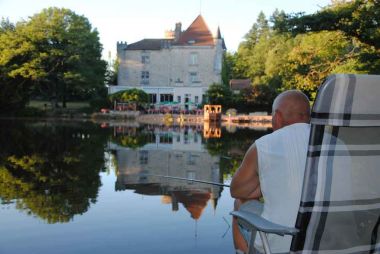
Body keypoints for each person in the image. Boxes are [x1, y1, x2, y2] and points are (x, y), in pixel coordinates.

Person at [230, 90, 311, 254]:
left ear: (278, 117)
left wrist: (263, 183)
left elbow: (237, 190)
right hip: (329, 242)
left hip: (280, 245)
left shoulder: (264, 145)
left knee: (239, 204)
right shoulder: (336, 144)